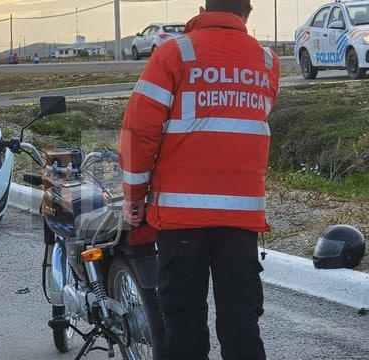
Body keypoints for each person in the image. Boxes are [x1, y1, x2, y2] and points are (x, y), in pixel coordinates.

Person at [118, 0, 280, 359]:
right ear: (248, 12)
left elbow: (139, 130)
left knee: (183, 317)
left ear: (203, 8)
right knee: (241, 317)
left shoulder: (174, 53)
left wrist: (134, 195)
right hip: (240, 217)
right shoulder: (267, 62)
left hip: (181, 217)